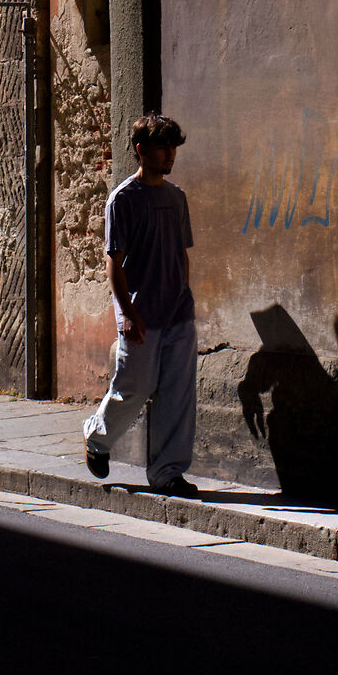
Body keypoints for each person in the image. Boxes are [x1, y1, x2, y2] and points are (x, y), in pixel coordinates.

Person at [82, 114, 198, 495]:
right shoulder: (123, 200)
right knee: (135, 386)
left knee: (177, 394)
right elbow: (114, 261)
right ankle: (97, 436)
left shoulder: (176, 197)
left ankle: (167, 472)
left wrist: (184, 294)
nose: (170, 155)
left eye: (173, 148)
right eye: (163, 148)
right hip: (141, 313)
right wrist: (127, 314)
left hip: (178, 311)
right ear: (141, 150)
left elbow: (181, 252)